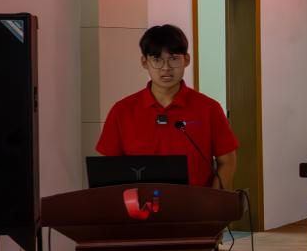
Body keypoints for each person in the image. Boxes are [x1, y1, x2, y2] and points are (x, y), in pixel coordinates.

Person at [96, 24, 239, 189]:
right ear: (144, 62)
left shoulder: (209, 108)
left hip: (195, 204)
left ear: (186, 60)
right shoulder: (122, 111)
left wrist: (213, 201)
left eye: (173, 58)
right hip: (139, 204)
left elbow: (227, 162)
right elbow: (109, 168)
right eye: (157, 59)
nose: (166, 68)